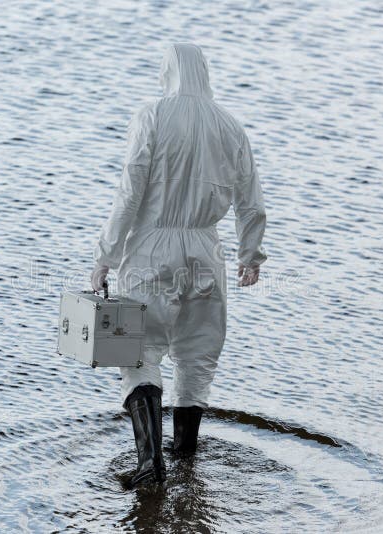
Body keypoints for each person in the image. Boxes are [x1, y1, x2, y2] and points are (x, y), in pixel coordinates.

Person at [91, 43, 267, 488]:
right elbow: (252, 202)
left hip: (152, 247)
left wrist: (105, 257)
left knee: (138, 353)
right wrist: (251, 255)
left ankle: (151, 466)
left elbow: (130, 194)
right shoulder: (230, 125)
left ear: (167, 72)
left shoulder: (151, 115)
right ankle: (184, 459)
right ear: (204, 73)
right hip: (206, 251)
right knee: (197, 354)